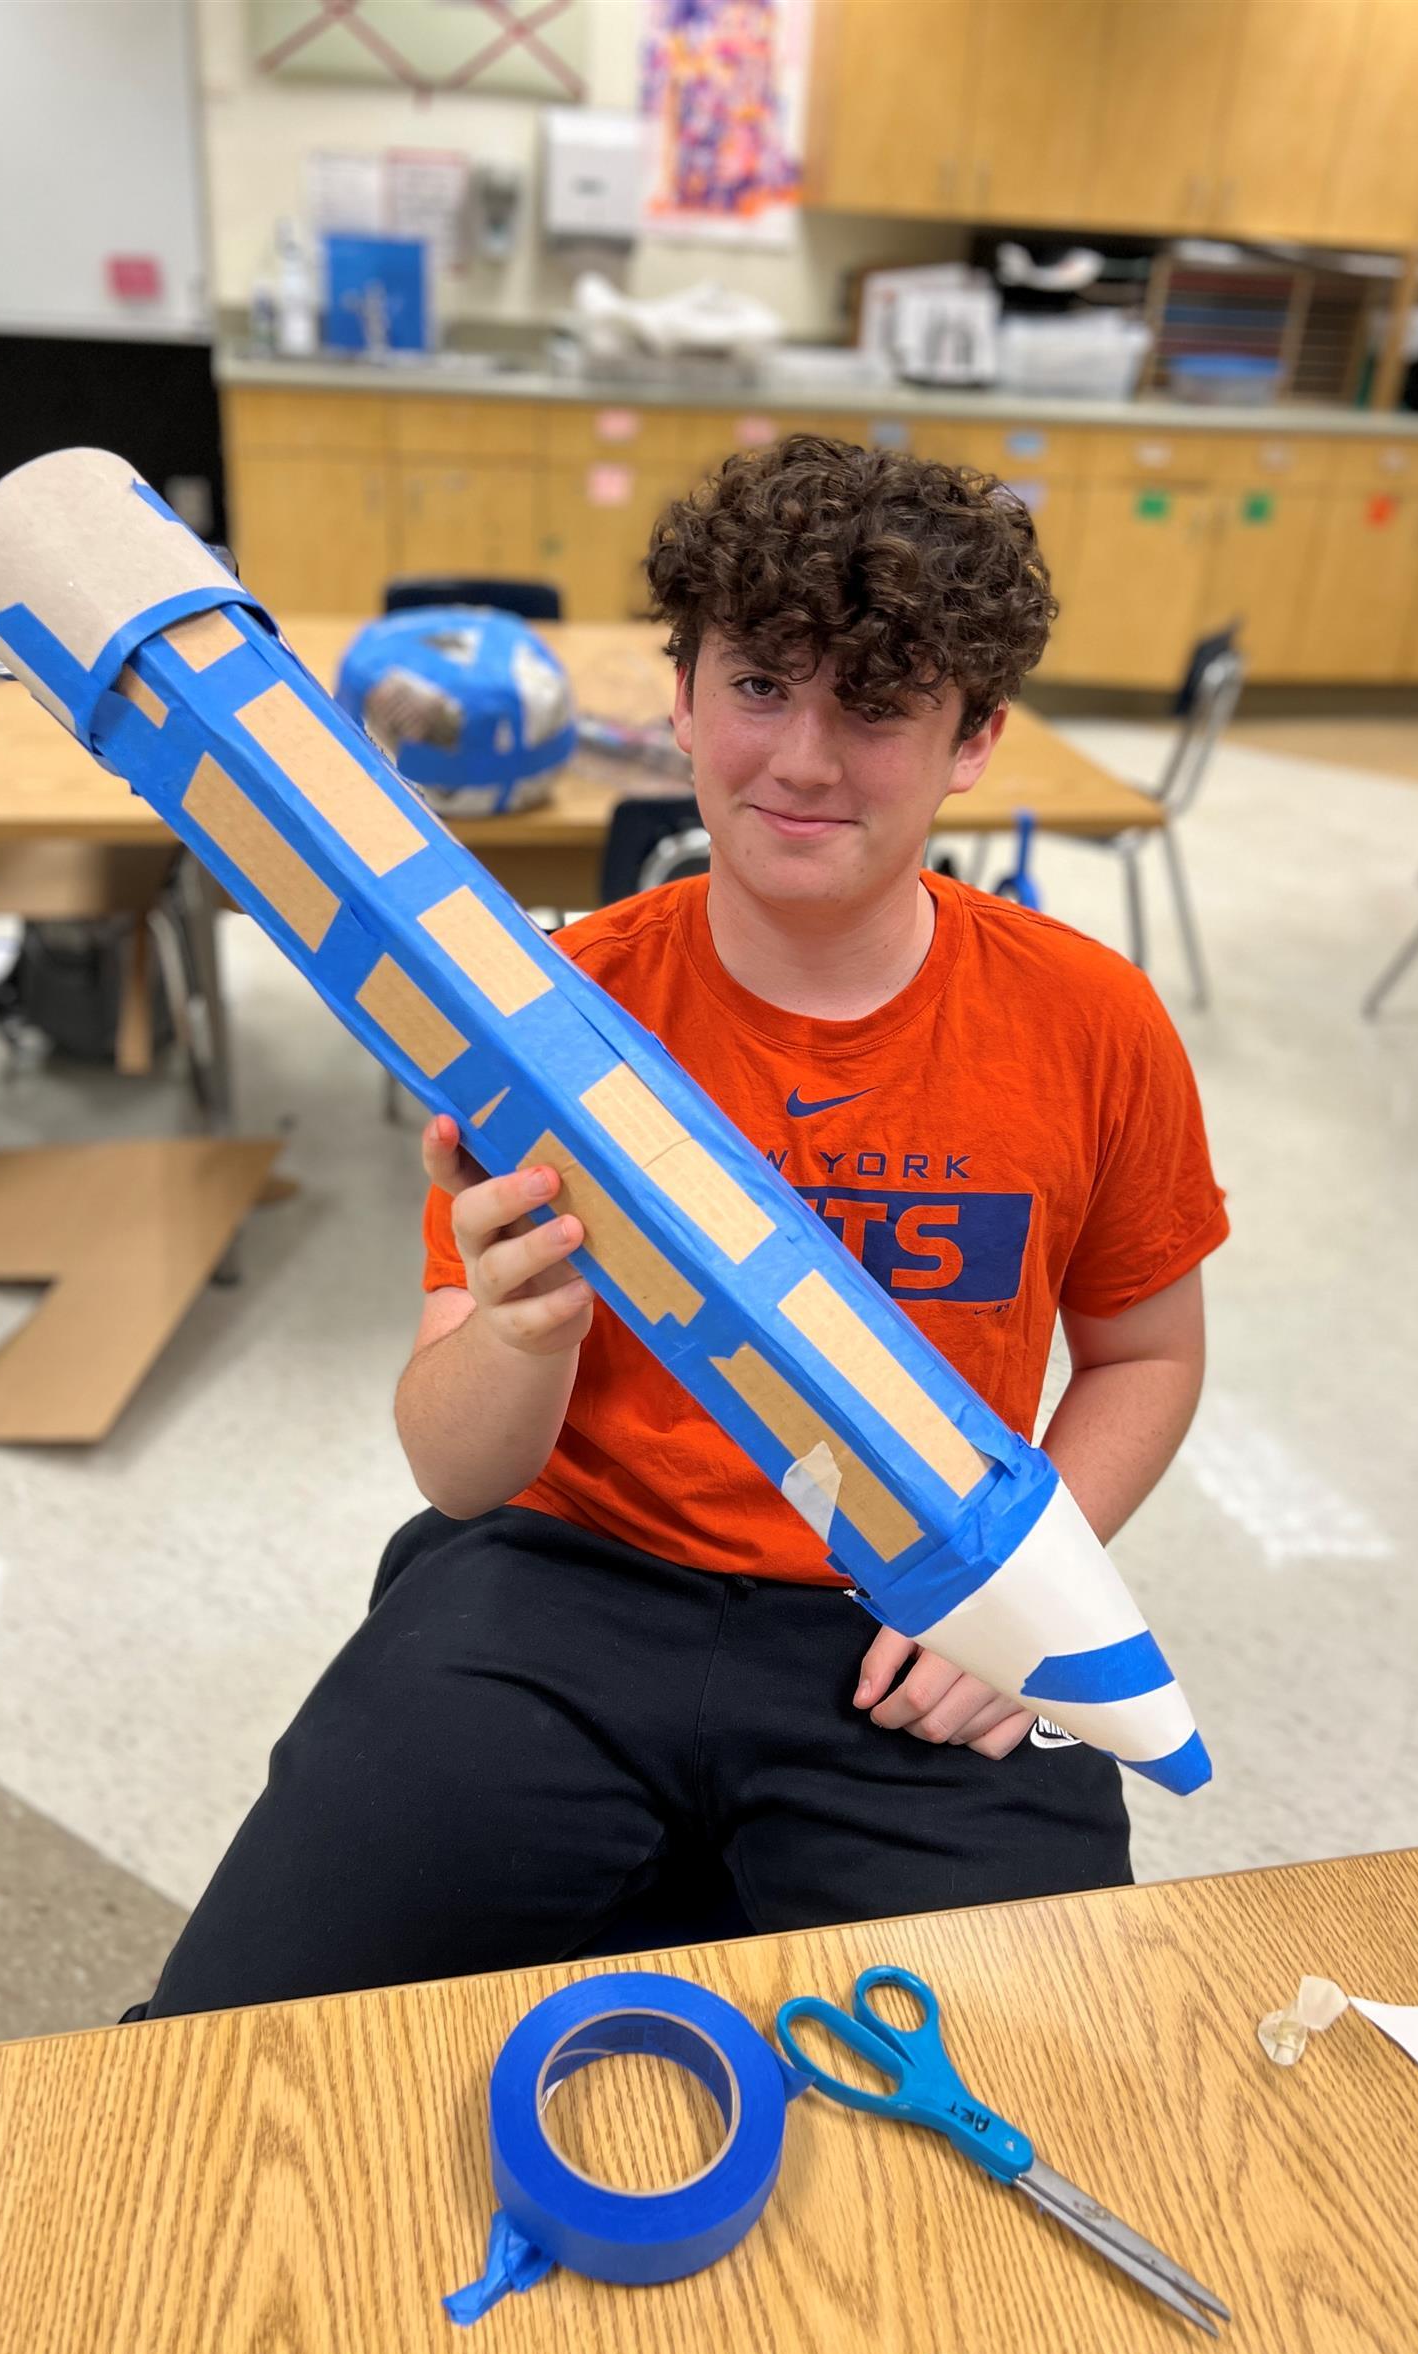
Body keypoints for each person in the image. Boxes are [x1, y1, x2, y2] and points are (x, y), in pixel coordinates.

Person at [138, 436, 1227, 2017]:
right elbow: (458, 1473)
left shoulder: (1089, 1023)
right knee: (235, 2048)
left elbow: (1147, 1355)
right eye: (760, 686)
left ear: (976, 737)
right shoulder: (537, 1014)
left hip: (915, 1616)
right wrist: (519, 1333)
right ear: (684, 699)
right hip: (561, 1584)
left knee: (1054, 2091)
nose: (803, 759)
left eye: (877, 706)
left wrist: (1019, 1605)